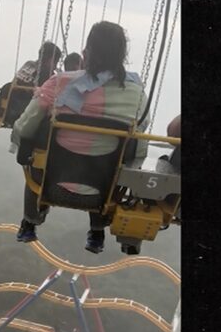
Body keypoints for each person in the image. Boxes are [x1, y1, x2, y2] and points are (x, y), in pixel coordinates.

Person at [12, 21, 149, 254]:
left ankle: (30, 220)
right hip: (103, 193)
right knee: (108, 163)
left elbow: (24, 126)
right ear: (121, 57)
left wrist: (21, 141)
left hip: (50, 186)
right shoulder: (136, 93)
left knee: (34, 157)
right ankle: (97, 230)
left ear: (86, 53)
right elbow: (140, 136)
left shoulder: (61, 82)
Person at [0, 41, 61, 157]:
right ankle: (17, 142)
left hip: (6, 107)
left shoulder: (28, 64)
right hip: (21, 113)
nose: (55, 65)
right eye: (55, 62)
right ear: (51, 60)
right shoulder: (47, 74)